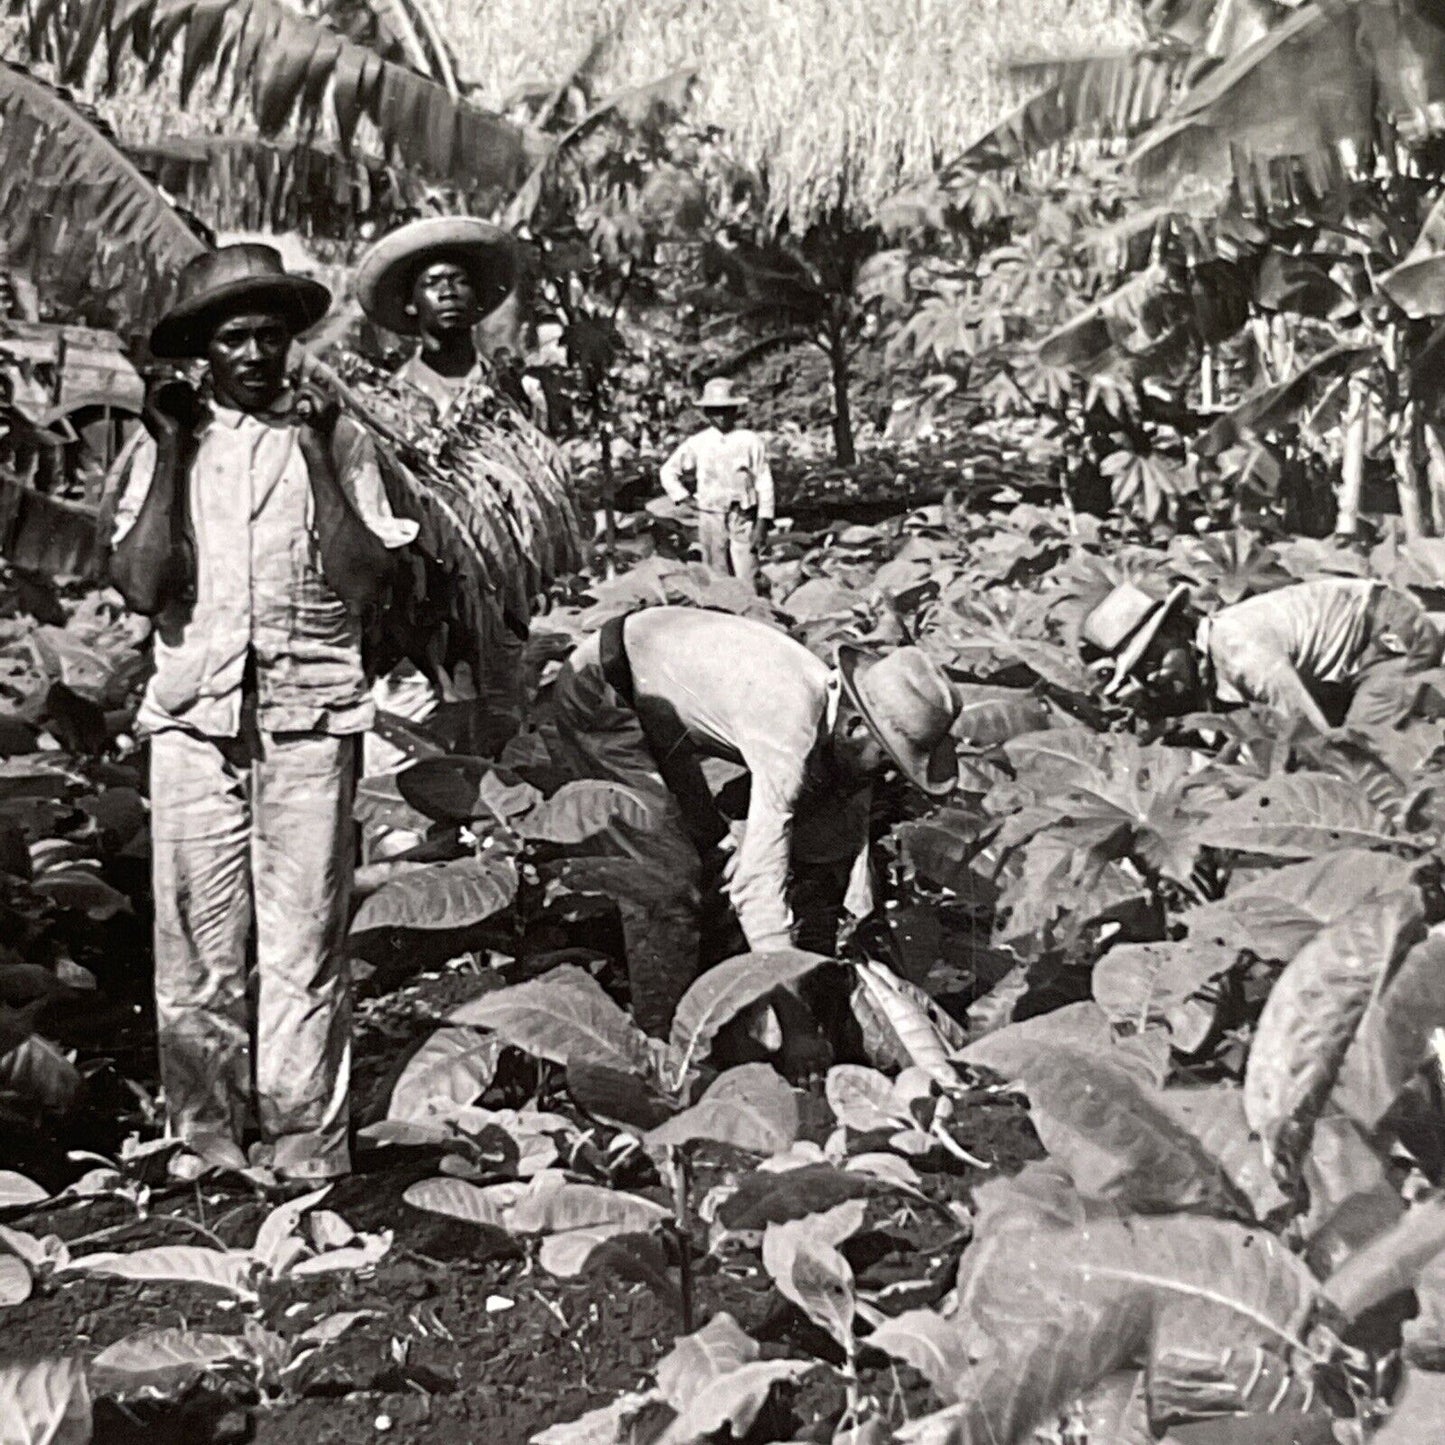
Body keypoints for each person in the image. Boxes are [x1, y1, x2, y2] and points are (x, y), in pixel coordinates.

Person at [108, 244, 419, 1184]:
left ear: (292, 343)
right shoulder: (169, 443)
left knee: (304, 944)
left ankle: (306, 1146)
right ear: (201, 350)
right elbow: (139, 582)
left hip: (308, 721)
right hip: (193, 726)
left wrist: (322, 453)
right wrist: (168, 451)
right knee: (195, 950)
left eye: (270, 336)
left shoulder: (339, 438)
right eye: (233, 337)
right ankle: (205, 1139)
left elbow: (366, 581)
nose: (254, 354)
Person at [549, 607, 961, 1046]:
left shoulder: (836, 716)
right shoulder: (790, 731)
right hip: (602, 697)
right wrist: (799, 1029)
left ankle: (719, 994)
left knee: (713, 855)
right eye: (886, 759)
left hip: (661, 703)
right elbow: (759, 893)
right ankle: (663, 1051)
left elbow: (825, 871)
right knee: (665, 886)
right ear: (857, 728)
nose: (886, 776)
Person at [1082, 577, 1445, 731]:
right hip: (1347, 660)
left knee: (1364, 754)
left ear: (1178, 630)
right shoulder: (1212, 654)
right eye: (1142, 674)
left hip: (1385, 632)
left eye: (1153, 661)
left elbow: (1308, 733)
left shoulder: (1242, 653)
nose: (1155, 677)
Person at [354, 215, 516, 421]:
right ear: (410, 304)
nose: (448, 292)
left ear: (477, 299)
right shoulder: (392, 400)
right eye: (432, 283)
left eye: (460, 281)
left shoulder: (509, 389)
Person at [659, 379, 775, 589]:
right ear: (706, 412)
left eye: (726, 410)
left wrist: (763, 521)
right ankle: (724, 615)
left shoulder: (749, 440)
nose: (721, 416)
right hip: (710, 514)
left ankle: (752, 614)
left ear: (735, 410)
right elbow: (668, 471)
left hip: (742, 514)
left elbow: (764, 480)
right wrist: (682, 497)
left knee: (747, 572)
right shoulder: (699, 442)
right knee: (716, 574)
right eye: (714, 411)